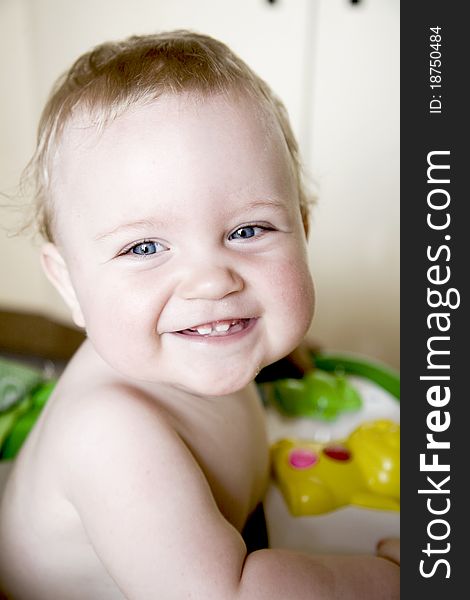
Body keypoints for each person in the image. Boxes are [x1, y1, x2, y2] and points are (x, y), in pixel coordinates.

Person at [0, 31, 399, 599]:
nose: (212, 280)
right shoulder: (110, 436)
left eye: (248, 230)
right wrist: (392, 580)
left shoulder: (193, 344)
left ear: (302, 231)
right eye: (144, 248)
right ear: (69, 282)